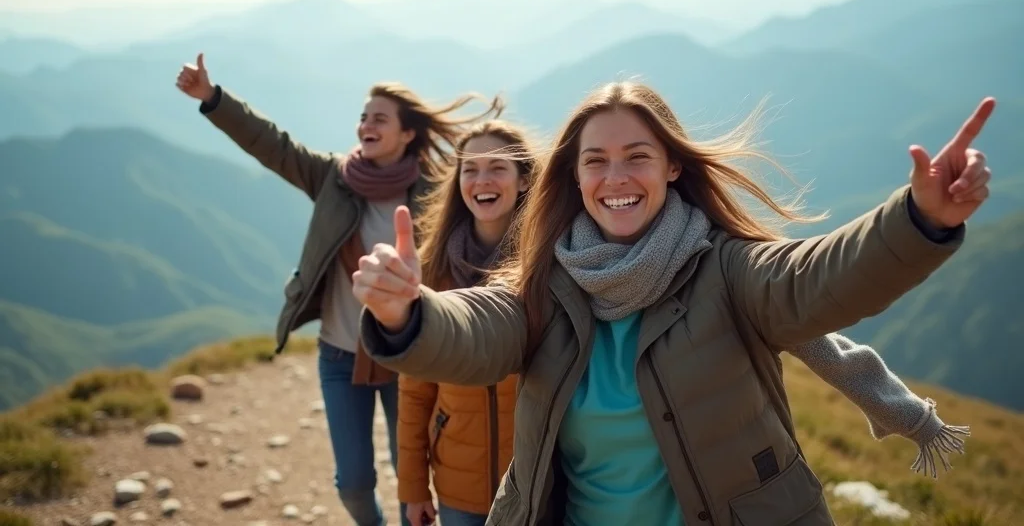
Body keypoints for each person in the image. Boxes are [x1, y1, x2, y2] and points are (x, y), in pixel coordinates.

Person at [350, 81, 994, 525]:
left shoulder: (727, 269)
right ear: (575, 178)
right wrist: (410, 313)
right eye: (595, 161)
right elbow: (477, 328)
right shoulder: (545, 286)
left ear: (672, 168)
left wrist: (917, 219)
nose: (616, 177)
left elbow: (815, 276)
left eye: (638, 157)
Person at [174, 53, 503, 526]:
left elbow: (485, 208)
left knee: (409, 467)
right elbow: (274, 145)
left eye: (380, 119)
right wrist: (212, 98)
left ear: (407, 133)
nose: (366, 125)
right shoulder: (333, 178)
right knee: (351, 482)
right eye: (363, 116)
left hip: (406, 352)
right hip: (339, 353)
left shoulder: (434, 192)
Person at [398, 120, 537, 526]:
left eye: (497, 167)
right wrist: (413, 488)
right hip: (458, 482)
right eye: (470, 169)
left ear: (524, 178)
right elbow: (414, 390)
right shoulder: (431, 267)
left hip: (536, 478)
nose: (482, 180)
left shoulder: (549, 263)